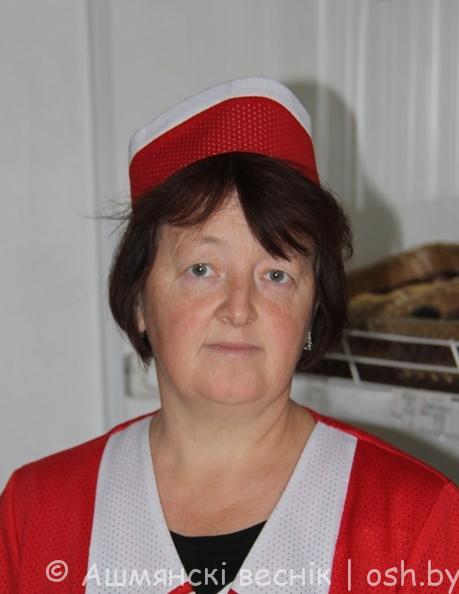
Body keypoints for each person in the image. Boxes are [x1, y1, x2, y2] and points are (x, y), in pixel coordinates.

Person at [1, 77, 458, 594]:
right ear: (139, 299)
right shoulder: (34, 513)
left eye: (276, 275)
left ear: (312, 310)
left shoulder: (416, 522)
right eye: (202, 269)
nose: (239, 309)